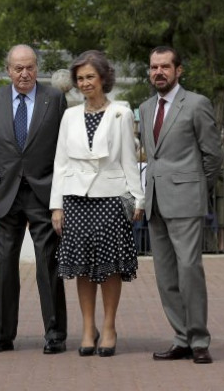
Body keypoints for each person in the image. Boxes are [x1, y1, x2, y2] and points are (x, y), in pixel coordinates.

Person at [50, 50, 144, 357]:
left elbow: (130, 159)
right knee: (82, 268)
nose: (85, 83)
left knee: (110, 267)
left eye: (90, 76)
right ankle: (87, 328)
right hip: (76, 199)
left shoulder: (121, 112)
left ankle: (108, 327)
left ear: (103, 78)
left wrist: (137, 198)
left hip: (110, 198)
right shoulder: (69, 115)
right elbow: (61, 162)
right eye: (80, 78)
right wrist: (57, 206)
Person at [0, 44, 67, 354]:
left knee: (47, 264)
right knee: (5, 265)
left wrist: (61, 195)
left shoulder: (54, 98)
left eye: (29, 67)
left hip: (44, 191)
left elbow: (64, 150)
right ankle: (2, 335)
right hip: (5, 193)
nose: (24, 73)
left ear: (37, 68)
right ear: (8, 70)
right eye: (18, 68)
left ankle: (55, 333)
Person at [139, 46, 221, 364]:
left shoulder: (197, 104)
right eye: (153, 67)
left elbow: (212, 156)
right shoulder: (146, 108)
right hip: (156, 203)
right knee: (165, 276)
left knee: (189, 271)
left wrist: (195, 188)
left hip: (186, 202)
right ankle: (181, 337)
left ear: (178, 70)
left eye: (165, 67)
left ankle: (199, 340)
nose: (158, 72)